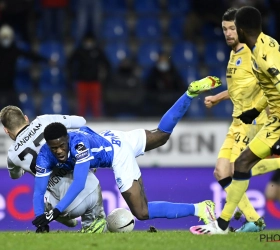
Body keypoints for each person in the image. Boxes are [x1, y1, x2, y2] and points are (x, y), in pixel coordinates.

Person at [31, 76, 223, 229]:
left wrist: (56, 211)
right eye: (54, 147)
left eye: (62, 145)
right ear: (47, 145)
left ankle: (200, 208)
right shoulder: (44, 155)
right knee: (161, 135)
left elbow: (80, 183)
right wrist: (41, 218)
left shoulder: (78, 144)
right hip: (111, 137)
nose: (59, 151)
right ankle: (189, 93)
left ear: (67, 139)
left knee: (141, 212)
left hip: (117, 153)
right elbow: (39, 191)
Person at [191, 6, 280, 234]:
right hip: (245, 119)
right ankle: (249, 220)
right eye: (225, 29)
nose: (228, 33)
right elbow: (260, 88)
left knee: (236, 166)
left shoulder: (258, 54)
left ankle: (228, 223)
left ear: (240, 29)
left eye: (232, 28)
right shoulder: (248, 49)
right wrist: (234, 103)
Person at [0, 106, 106, 233]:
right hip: (90, 190)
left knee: (41, 191)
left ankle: (66, 219)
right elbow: (81, 121)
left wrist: (24, 166)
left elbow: (15, 176)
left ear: (6, 130)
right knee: (81, 158)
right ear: (26, 118)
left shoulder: (13, 155)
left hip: (60, 205)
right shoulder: (44, 121)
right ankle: (93, 224)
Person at [0, 25, 53, 108]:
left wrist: (46, 60)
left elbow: (30, 55)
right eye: (4, 37)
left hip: (10, 85)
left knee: (15, 108)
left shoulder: (14, 50)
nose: (5, 40)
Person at [68, 33, 110, 117]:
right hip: (82, 81)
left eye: (90, 41)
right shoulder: (79, 51)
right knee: (81, 104)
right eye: (87, 41)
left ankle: (97, 122)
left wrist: (105, 78)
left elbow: (107, 64)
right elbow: (70, 63)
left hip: (95, 81)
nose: (89, 42)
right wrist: (72, 76)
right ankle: (80, 122)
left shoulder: (97, 51)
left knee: (96, 104)